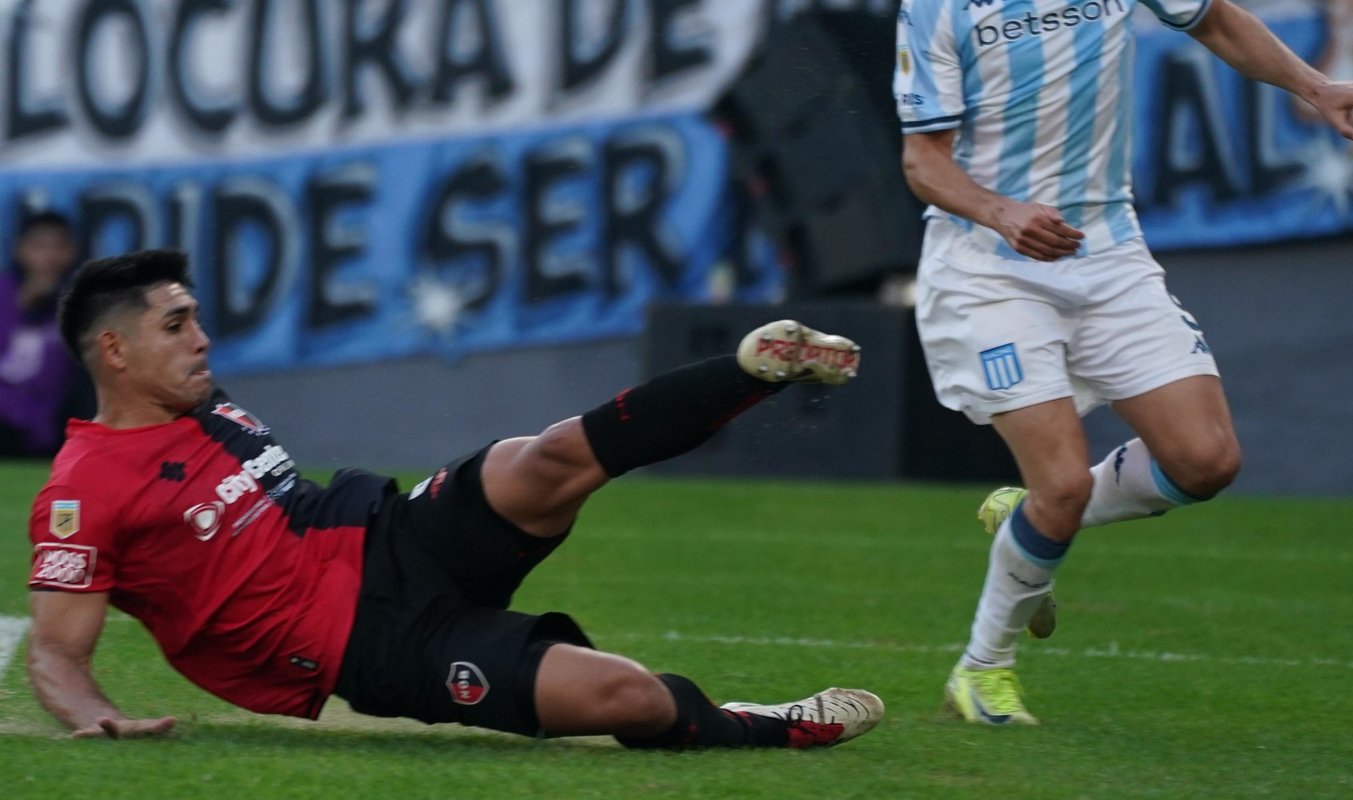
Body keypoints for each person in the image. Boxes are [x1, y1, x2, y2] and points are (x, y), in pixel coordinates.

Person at [894, 0, 1353, 726]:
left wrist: (1312, 84)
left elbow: (1212, 17)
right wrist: (1004, 214)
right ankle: (982, 665)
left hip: (1108, 248)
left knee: (1206, 461)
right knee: (1055, 478)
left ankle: (1038, 523)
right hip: (990, 266)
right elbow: (923, 165)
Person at [27, 249, 883, 747]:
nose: (202, 338)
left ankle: (754, 370)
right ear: (114, 350)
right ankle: (767, 724)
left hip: (392, 533)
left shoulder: (203, 403)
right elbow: (57, 652)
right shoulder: (82, 488)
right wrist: (100, 721)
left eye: (196, 318)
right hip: (376, 644)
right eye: (176, 325)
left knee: (543, 456)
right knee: (629, 700)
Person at [0, 212, 84, 458]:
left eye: (58, 246)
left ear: (72, 251)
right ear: (19, 250)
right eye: (38, 246)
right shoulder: (3, 294)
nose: (48, 257)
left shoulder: (81, 301)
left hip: (53, 422)